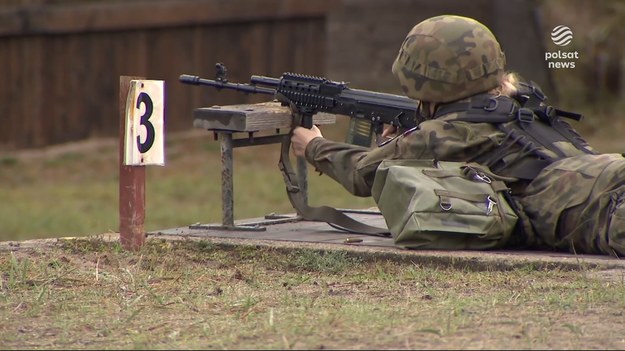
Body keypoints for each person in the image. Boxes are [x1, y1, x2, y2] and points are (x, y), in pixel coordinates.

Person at [290, 14, 625, 257]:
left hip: (598, 213)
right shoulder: (525, 104)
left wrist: (314, 146)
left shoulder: (444, 133)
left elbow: (363, 174)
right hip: (606, 178)